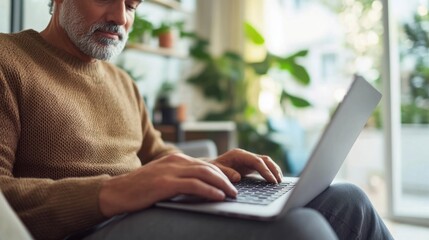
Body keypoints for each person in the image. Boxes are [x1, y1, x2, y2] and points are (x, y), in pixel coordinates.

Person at [0, 0, 394, 239]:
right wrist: (110, 192)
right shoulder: (8, 61)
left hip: (147, 214)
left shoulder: (123, 83)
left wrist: (209, 166)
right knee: (298, 231)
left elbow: (156, 155)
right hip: (85, 230)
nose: (119, 17)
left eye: (133, 6)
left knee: (348, 201)